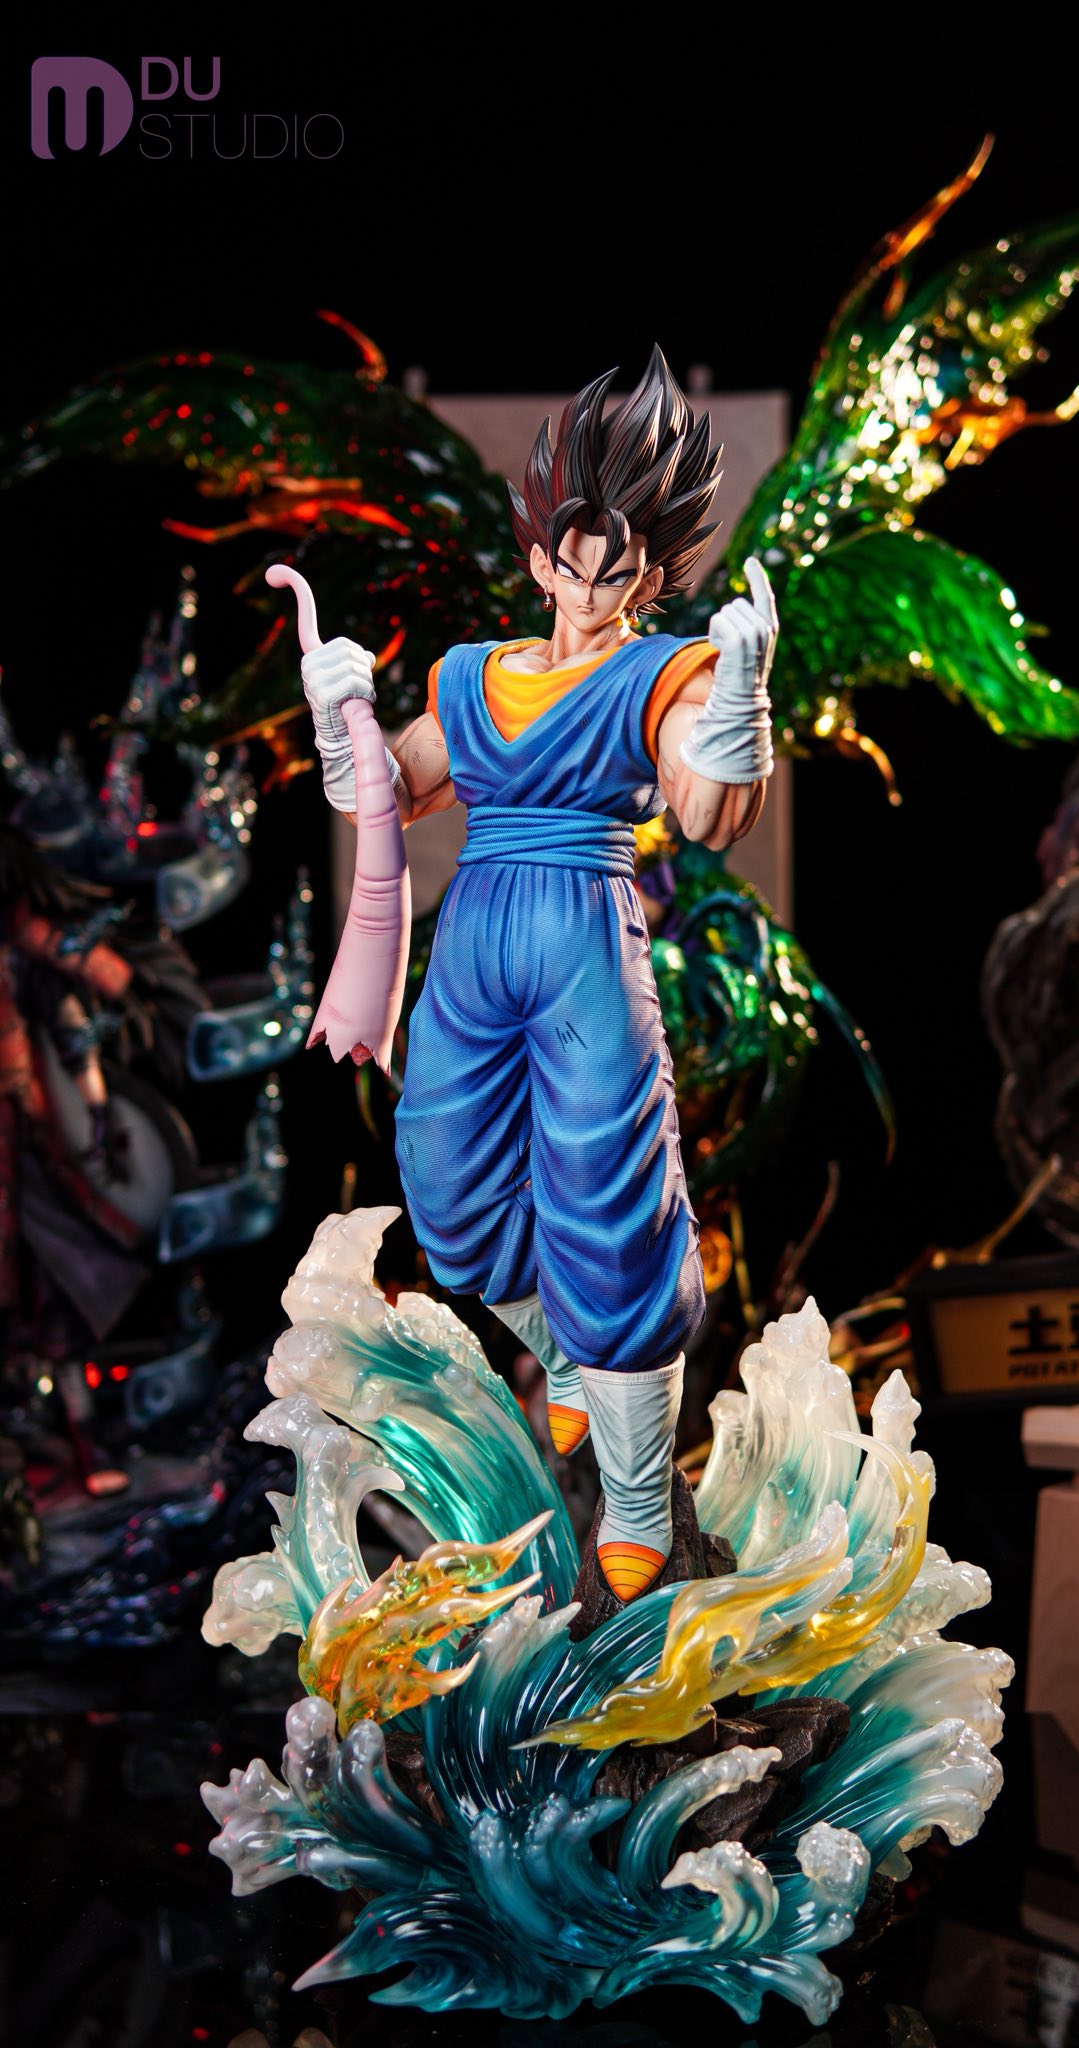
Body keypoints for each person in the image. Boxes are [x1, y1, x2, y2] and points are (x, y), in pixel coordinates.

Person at [302, 348, 777, 1601]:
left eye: (622, 562)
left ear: (651, 572)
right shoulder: (474, 673)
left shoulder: (659, 673)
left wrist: (741, 692)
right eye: (575, 554)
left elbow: (708, 811)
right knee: (445, 1178)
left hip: (584, 940)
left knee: (611, 1201)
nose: (592, 580)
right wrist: (336, 712)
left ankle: (637, 1493)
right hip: (475, 940)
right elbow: (388, 791)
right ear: (540, 554)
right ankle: (563, 1354)